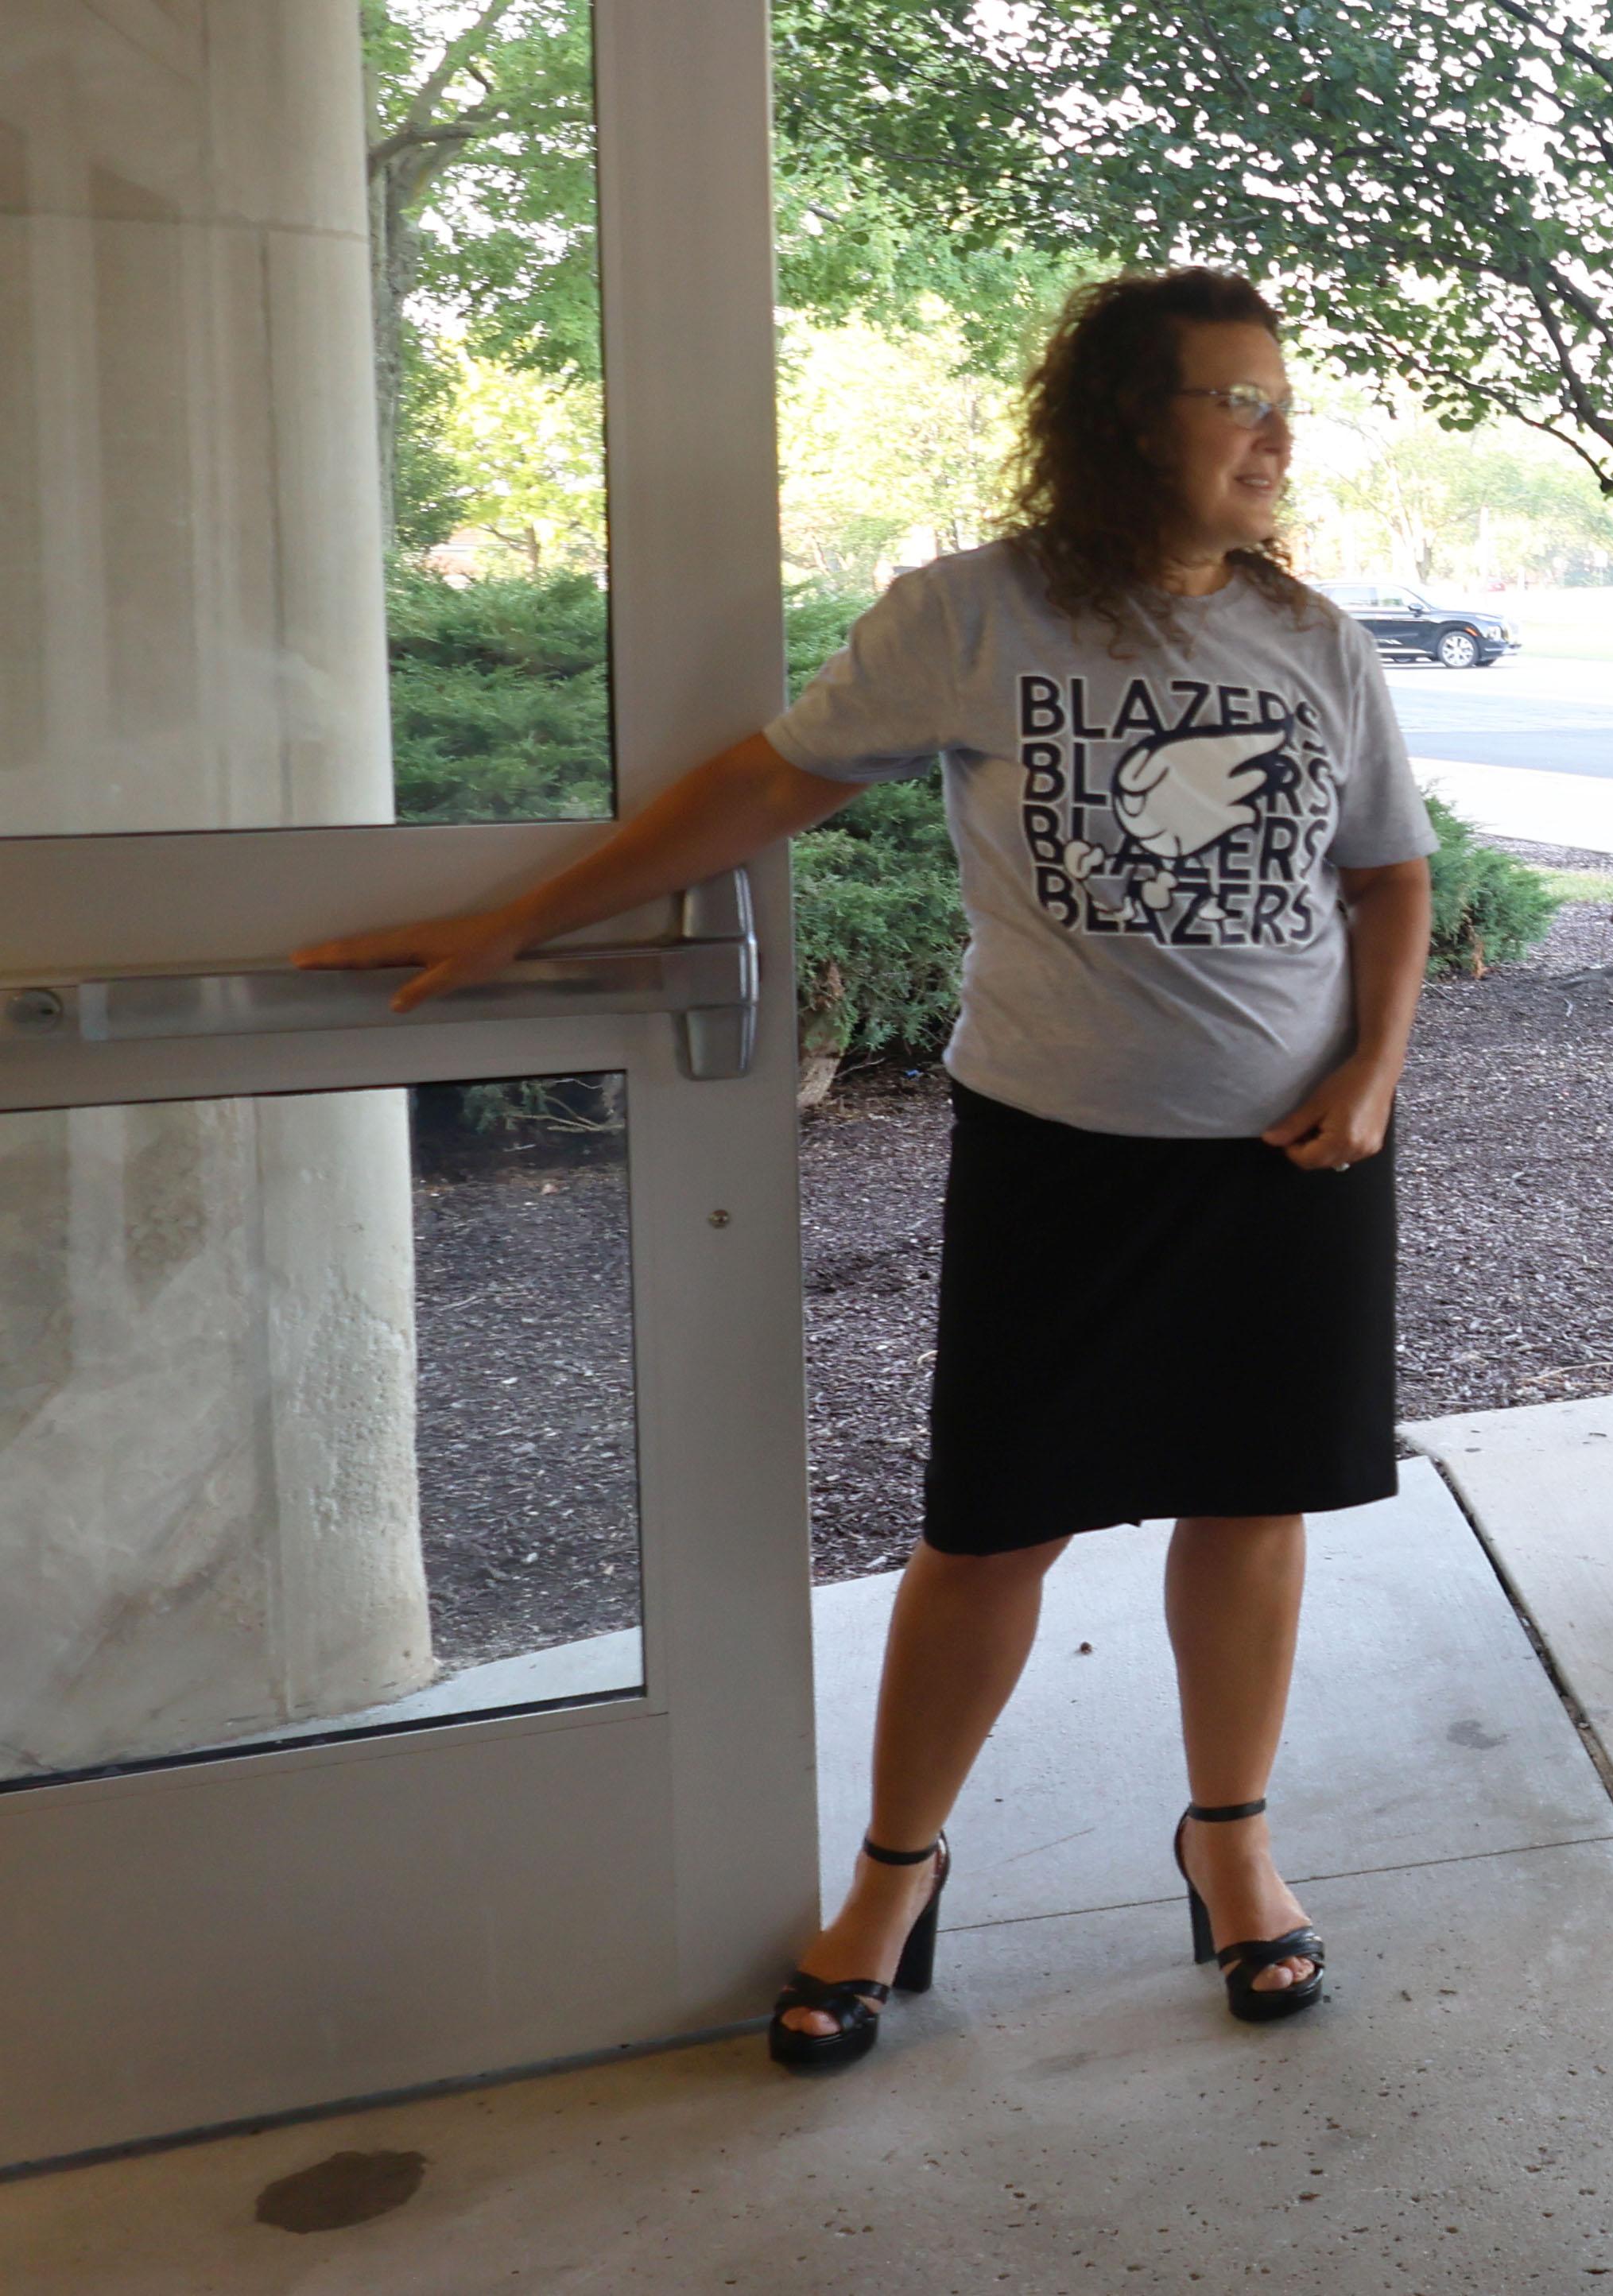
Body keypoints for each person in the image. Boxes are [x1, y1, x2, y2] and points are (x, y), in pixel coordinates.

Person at [303, 268, 1432, 2066]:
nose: (1277, 437)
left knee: (1250, 1504)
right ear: (1129, 420)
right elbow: (767, 785)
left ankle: (1231, 1846)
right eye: (1240, 399)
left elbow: (1386, 875)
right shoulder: (974, 613)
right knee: (991, 1526)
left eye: (1283, 401)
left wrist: (1374, 1070)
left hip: (1290, 1156)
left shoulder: (1315, 638)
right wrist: (517, 920)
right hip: (1059, 1156)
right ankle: (896, 1874)